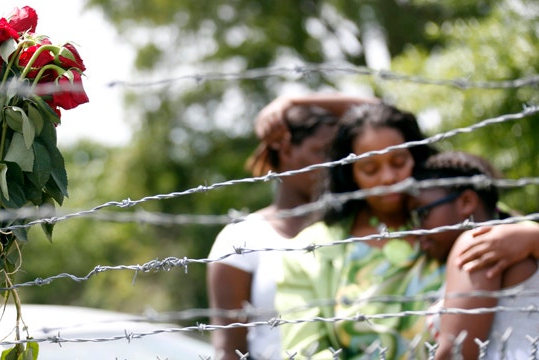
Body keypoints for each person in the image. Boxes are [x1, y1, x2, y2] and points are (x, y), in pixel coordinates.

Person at [273, 102, 539, 359]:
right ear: (351, 175)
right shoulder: (310, 251)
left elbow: (503, 229)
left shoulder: (451, 213)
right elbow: (304, 351)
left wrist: (531, 237)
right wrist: (292, 102)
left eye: (399, 161)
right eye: (370, 168)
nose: (388, 177)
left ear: (415, 155)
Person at [207, 93, 377, 360]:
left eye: (338, 155)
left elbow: (379, 114)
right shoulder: (242, 238)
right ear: (285, 150)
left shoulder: (353, 227)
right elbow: (229, 350)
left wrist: (292, 102)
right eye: (322, 152)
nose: (335, 165)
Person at [409, 151, 539, 359]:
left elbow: (455, 354)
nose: (416, 231)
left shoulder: (479, 244)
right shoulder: (511, 241)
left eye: (421, 214)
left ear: (466, 201)